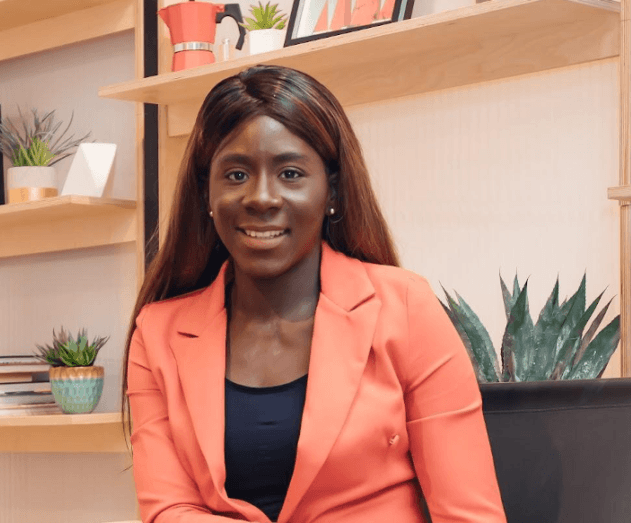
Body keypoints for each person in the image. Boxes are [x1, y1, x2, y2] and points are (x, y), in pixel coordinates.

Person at [122, 64, 507, 523]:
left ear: (333, 193)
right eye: (236, 175)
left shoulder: (404, 307)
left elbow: (468, 514)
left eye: (290, 172)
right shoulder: (157, 332)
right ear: (207, 193)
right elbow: (170, 510)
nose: (261, 197)